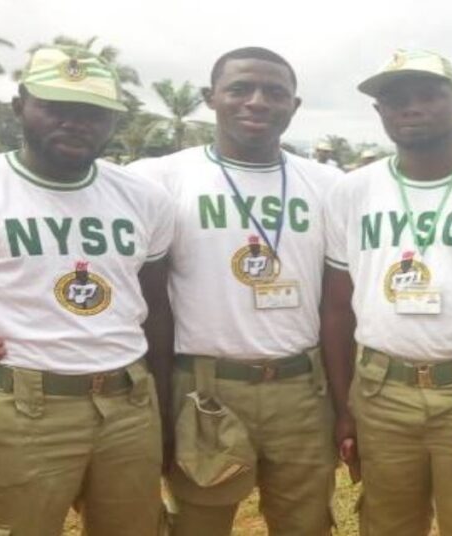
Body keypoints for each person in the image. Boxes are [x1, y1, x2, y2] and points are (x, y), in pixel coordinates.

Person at [128, 47, 344, 535]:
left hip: (300, 389)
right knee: (199, 523)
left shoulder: (329, 185)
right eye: (240, 89)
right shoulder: (158, 180)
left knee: (306, 523)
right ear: (211, 98)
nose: (257, 102)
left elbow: (341, 297)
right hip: (203, 389)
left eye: (274, 92)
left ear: (295, 105)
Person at [0, 46, 174, 536]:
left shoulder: (144, 198)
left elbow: (157, 309)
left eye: (92, 113)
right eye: (57, 107)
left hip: (130, 405)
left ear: (112, 122)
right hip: (24, 409)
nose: (75, 123)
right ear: (20, 106)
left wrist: (163, 408)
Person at [322, 49, 452, 535]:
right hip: (379, 394)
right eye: (394, 99)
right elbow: (336, 310)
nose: (410, 108)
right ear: (380, 113)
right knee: (386, 524)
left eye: (427, 96)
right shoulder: (352, 191)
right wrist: (344, 408)